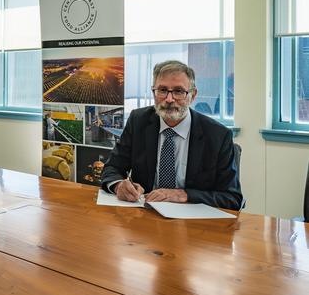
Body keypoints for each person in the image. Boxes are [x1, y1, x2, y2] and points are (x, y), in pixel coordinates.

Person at [101, 60, 243, 210]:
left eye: (178, 91)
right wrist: (118, 185)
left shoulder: (217, 135)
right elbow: (112, 168)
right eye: (162, 90)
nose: (169, 99)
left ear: (193, 95)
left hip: (193, 224)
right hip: (144, 217)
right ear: (153, 93)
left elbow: (232, 198)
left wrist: (185, 195)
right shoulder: (138, 121)